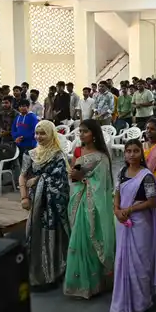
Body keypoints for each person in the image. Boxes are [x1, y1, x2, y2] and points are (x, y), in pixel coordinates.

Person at [64, 119, 116, 299]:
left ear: (94, 134)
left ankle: (95, 284)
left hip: (94, 204)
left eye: (85, 131)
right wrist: (75, 176)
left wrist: (83, 178)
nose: (81, 134)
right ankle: (80, 285)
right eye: (80, 131)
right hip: (79, 200)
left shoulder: (102, 156)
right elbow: (73, 177)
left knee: (91, 238)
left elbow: (103, 185)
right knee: (79, 239)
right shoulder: (78, 151)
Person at [110, 138, 156, 312]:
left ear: (141, 154)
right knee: (122, 260)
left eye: (135, 151)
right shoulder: (121, 172)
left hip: (140, 224)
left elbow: (152, 202)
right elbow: (117, 194)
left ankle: (141, 304)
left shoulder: (146, 176)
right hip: (122, 222)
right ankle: (121, 305)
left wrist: (129, 210)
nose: (131, 154)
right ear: (124, 154)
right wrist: (117, 210)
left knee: (140, 263)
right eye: (128, 151)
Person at [19, 120, 70, 289]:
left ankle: (54, 273)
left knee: (52, 235)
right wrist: (24, 197)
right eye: (37, 133)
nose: (39, 137)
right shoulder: (31, 154)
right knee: (34, 233)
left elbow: (61, 182)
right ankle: (37, 274)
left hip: (53, 205)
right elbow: (23, 176)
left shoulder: (58, 155)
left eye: (43, 133)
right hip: (36, 203)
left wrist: (39, 180)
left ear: (51, 134)